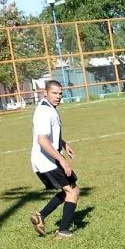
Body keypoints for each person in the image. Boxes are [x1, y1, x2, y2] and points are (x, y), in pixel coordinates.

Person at [29, 80, 80, 239]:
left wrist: (64, 144)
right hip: (46, 160)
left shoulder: (49, 108)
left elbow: (51, 135)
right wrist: (62, 160)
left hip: (48, 158)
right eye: (54, 93)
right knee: (73, 190)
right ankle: (62, 231)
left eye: (60, 93)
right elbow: (42, 140)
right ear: (45, 93)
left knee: (69, 190)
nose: (58, 96)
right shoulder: (44, 111)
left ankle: (41, 216)